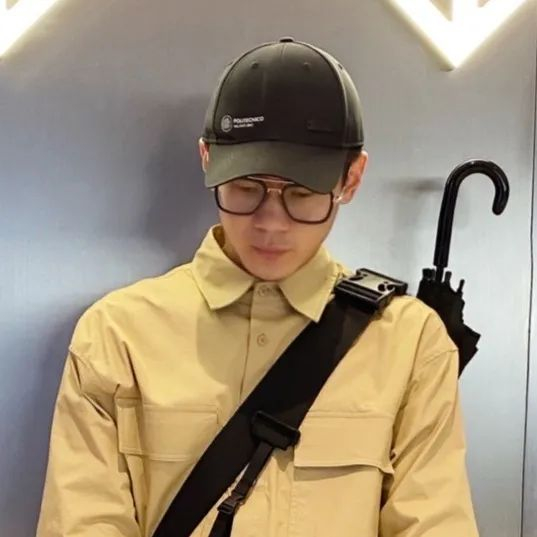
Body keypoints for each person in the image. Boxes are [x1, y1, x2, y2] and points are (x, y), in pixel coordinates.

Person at [36, 37, 479, 537]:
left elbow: (435, 525)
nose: (271, 222)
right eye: (246, 187)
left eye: (302, 193)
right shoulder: (117, 336)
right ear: (208, 160)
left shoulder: (410, 343)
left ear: (351, 178)